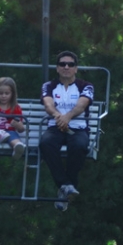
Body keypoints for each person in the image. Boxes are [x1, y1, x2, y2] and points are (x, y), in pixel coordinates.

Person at [40, 51, 94, 211]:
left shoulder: (86, 86)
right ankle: (66, 185)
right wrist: (59, 117)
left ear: (76, 69)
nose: (66, 67)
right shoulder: (48, 86)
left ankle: (65, 187)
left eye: (70, 64)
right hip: (55, 126)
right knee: (46, 143)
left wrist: (68, 117)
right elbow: (48, 104)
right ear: (57, 68)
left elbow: (82, 104)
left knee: (79, 146)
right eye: (62, 64)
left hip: (77, 127)